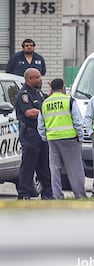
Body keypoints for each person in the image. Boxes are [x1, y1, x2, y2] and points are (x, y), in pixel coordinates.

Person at [37, 78, 87, 199]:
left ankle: (57, 196)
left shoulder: (45, 103)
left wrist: (46, 138)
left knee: (55, 169)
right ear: (63, 88)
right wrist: (80, 137)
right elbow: (78, 121)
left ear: (52, 89)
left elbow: (40, 125)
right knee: (75, 168)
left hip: (53, 139)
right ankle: (80, 195)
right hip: (70, 138)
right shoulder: (69, 100)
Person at [14, 68, 52, 199]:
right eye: (37, 77)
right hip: (30, 134)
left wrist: (54, 90)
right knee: (28, 166)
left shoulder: (39, 92)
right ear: (29, 79)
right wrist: (44, 112)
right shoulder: (23, 94)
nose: (40, 79)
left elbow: (48, 102)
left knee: (44, 165)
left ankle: (47, 193)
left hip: (42, 134)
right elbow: (29, 112)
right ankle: (23, 193)